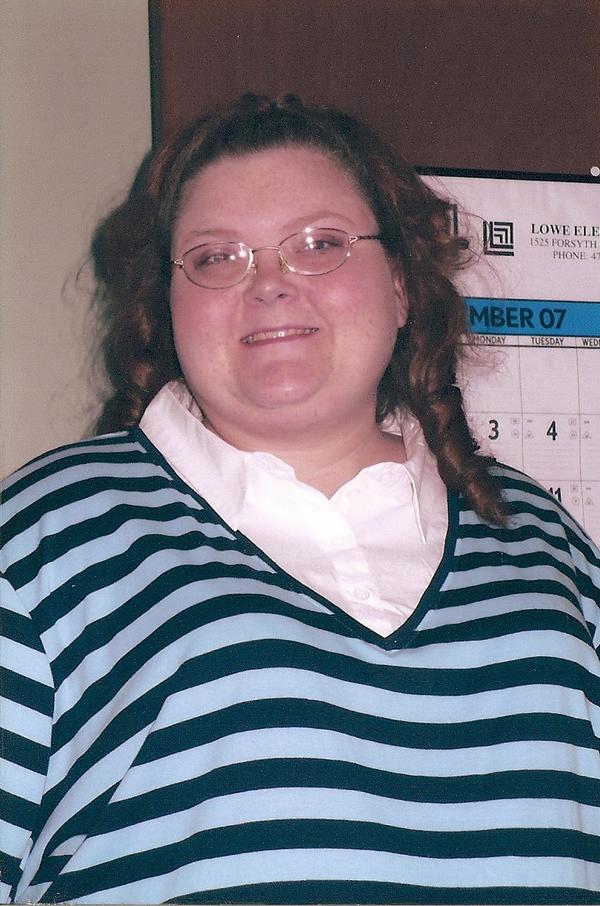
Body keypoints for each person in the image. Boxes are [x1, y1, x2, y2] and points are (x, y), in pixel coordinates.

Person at [1, 93, 599, 905]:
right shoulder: (45, 538)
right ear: (166, 307)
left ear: (401, 285)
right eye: (216, 257)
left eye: (320, 244)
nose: (270, 285)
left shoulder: (543, 538)